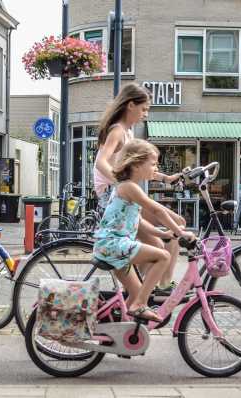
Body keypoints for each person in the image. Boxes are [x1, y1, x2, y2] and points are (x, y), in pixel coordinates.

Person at [94, 83, 185, 296]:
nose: (145, 114)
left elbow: (139, 164)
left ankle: (141, 289)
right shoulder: (117, 130)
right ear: (130, 105)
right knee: (174, 228)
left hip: (118, 192)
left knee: (160, 243)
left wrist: (166, 178)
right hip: (111, 195)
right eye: (144, 109)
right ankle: (158, 287)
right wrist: (121, 183)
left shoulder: (128, 132)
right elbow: (101, 162)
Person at [93, 139, 196, 322]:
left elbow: (139, 222)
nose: (156, 168)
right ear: (137, 164)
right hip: (114, 246)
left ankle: (120, 335)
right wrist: (181, 233)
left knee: (136, 291)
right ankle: (140, 305)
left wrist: (164, 234)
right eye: (153, 164)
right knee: (163, 256)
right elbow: (157, 210)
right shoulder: (130, 188)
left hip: (110, 246)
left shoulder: (126, 187)